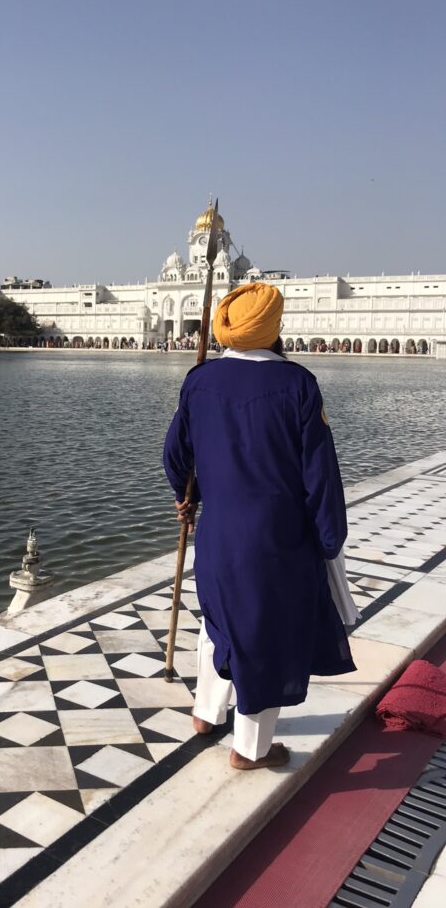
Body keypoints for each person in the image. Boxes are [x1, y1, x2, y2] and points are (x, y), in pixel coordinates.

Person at [163, 282, 355, 770]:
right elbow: (320, 475)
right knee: (266, 634)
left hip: (218, 534)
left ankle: (206, 713)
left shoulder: (199, 380)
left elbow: (176, 457)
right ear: (275, 329)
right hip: (276, 540)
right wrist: (330, 537)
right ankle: (251, 750)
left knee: (219, 620)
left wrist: (191, 498)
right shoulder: (297, 384)